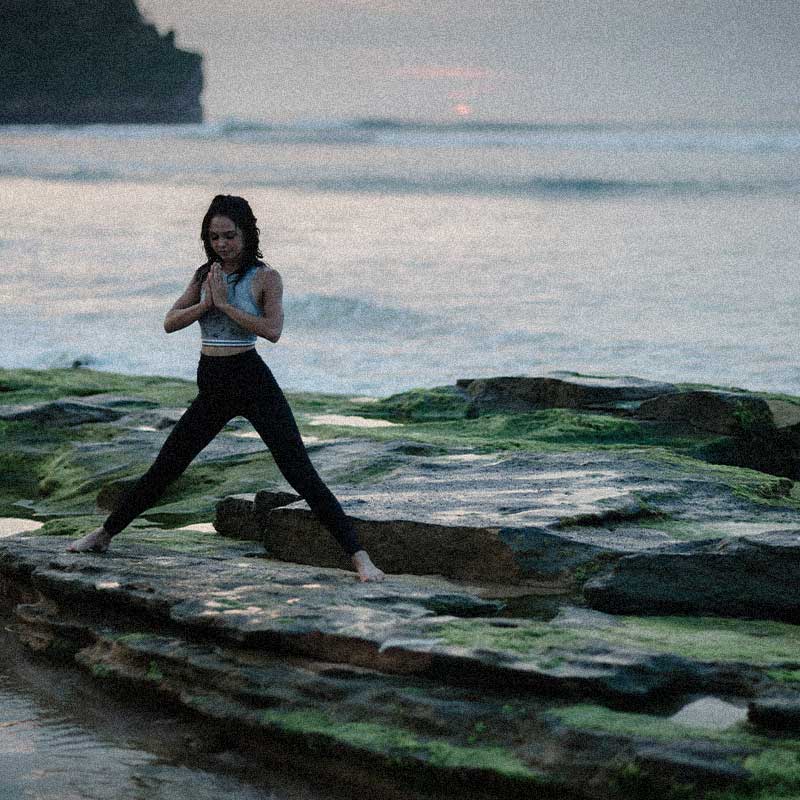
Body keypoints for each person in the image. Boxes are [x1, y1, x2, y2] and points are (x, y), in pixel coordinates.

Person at [68, 195, 385, 582]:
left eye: (229, 236)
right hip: (213, 385)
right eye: (215, 237)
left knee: (300, 472)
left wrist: (226, 306)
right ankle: (105, 534)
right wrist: (205, 305)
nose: (222, 244)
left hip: (252, 380)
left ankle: (360, 558)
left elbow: (272, 331)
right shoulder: (205, 274)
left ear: (247, 234)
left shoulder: (267, 278)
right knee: (167, 466)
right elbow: (170, 322)